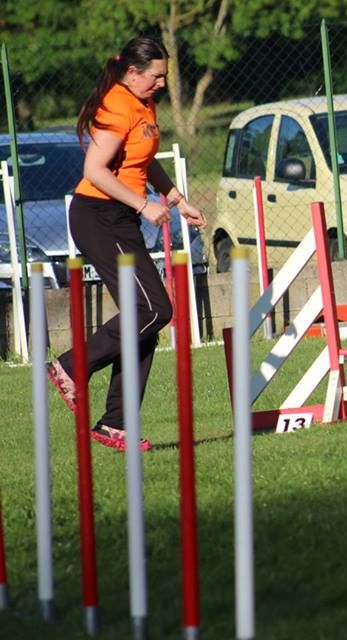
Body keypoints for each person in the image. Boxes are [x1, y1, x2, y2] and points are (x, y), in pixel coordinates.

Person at [45, 36, 206, 452]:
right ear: (133, 73)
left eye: (164, 78)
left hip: (120, 218)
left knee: (145, 324)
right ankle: (69, 367)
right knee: (155, 310)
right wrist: (143, 203)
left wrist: (176, 199)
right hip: (98, 215)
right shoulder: (116, 104)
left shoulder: (142, 104)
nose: (161, 85)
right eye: (155, 77)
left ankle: (115, 424)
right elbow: (95, 170)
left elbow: (145, 159)